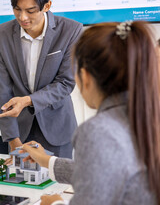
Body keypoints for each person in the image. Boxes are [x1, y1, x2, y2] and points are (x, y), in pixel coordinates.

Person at [21, 21, 159, 204]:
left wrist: (53, 203)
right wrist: (47, 160)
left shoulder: (98, 131)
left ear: (85, 76)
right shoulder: (146, 115)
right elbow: (103, 170)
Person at [0, 0, 82, 158]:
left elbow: (65, 83)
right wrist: (13, 140)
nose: (23, 17)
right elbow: (3, 90)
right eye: (17, 9)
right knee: (19, 185)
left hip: (57, 129)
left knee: (58, 185)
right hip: (20, 130)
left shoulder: (71, 31)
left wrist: (27, 100)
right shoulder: (0, 35)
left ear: (47, 6)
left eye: (31, 11)